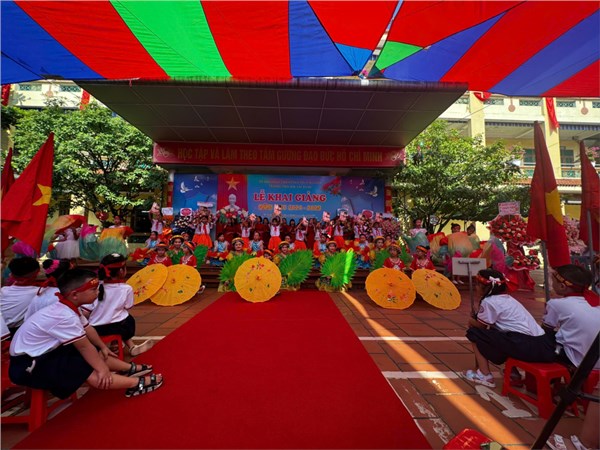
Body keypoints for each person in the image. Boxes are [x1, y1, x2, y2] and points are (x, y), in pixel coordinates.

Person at [9, 268, 163, 399]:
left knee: (93, 352)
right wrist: (102, 369)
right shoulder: (64, 316)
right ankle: (134, 384)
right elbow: (83, 347)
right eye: (93, 290)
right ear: (75, 294)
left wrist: (102, 347)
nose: (98, 292)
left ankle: (127, 369)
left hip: (44, 353)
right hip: (27, 364)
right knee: (83, 365)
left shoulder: (69, 307)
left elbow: (88, 329)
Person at [462, 269, 554, 388]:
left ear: (485, 288)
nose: (476, 288)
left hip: (524, 345)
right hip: (541, 343)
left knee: (474, 333)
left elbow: (481, 326)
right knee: (499, 334)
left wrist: (471, 320)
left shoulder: (489, 302)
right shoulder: (507, 298)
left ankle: (485, 375)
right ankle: (513, 372)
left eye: (477, 285)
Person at [84, 253, 154, 357]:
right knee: (126, 318)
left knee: (115, 319)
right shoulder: (126, 289)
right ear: (121, 271)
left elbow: (86, 311)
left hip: (96, 329)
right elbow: (128, 306)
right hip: (119, 327)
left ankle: (114, 345)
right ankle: (129, 346)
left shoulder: (95, 288)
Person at [542, 265, 600, 371]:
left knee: (541, 342)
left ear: (562, 286)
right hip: (597, 361)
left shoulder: (556, 304)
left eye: (553, 281)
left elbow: (546, 331)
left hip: (578, 360)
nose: (551, 284)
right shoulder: (596, 302)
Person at [1, 257, 42, 335]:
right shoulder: (40, 292)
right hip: (17, 332)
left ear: (12, 275)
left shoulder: (3, 291)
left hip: (3, 329)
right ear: (36, 274)